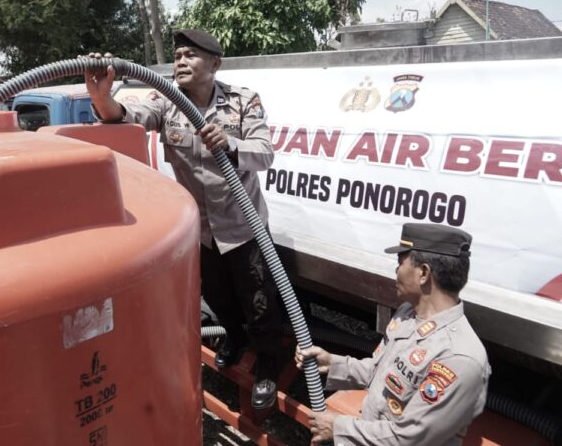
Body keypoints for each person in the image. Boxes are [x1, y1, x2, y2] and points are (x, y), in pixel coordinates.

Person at [85, 29, 285, 409]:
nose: (180, 61)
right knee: (218, 297)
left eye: (191, 55)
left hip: (244, 228)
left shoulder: (244, 102)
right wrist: (101, 96)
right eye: (177, 55)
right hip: (202, 230)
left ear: (215, 64)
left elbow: (264, 153)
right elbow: (127, 118)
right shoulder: (166, 101)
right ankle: (235, 337)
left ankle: (268, 370)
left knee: (260, 303)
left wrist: (231, 144)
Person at [295, 223, 490, 446]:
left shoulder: (458, 357)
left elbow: (409, 439)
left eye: (400, 264)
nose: (395, 271)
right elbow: (379, 372)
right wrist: (332, 363)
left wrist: (338, 427)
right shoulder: (407, 315)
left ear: (423, 273)